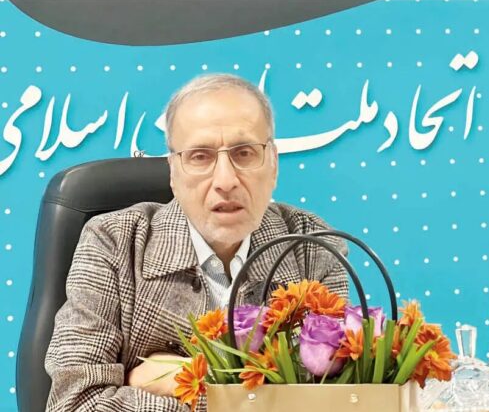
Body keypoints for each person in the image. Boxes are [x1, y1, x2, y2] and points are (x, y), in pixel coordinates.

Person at [45, 74, 348, 411]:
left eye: (244, 153)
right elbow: (74, 404)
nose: (226, 181)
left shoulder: (313, 246)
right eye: (200, 156)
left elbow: (340, 401)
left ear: (273, 164)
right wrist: (244, 397)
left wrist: (185, 381)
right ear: (173, 172)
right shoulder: (112, 243)